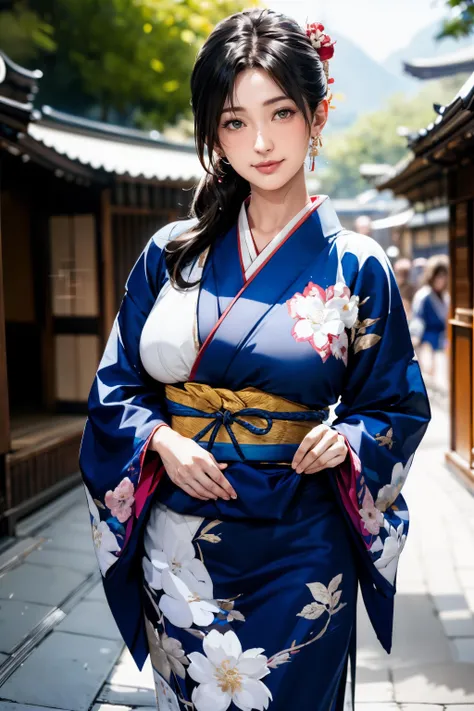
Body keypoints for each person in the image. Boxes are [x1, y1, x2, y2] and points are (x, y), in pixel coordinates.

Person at [79, 9, 431, 711]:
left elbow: (395, 405)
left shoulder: (358, 265)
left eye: (280, 113)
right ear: (214, 131)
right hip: (183, 546)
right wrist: (162, 441)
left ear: (316, 114)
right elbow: (117, 386)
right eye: (235, 121)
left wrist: (349, 437)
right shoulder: (173, 255)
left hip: (302, 542)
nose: (262, 142)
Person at [410, 255, 449, 381]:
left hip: (444, 343)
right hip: (427, 343)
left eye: (444, 275)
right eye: (438, 275)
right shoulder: (423, 296)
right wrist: (416, 338)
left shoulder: (446, 296)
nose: (441, 279)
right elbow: (418, 319)